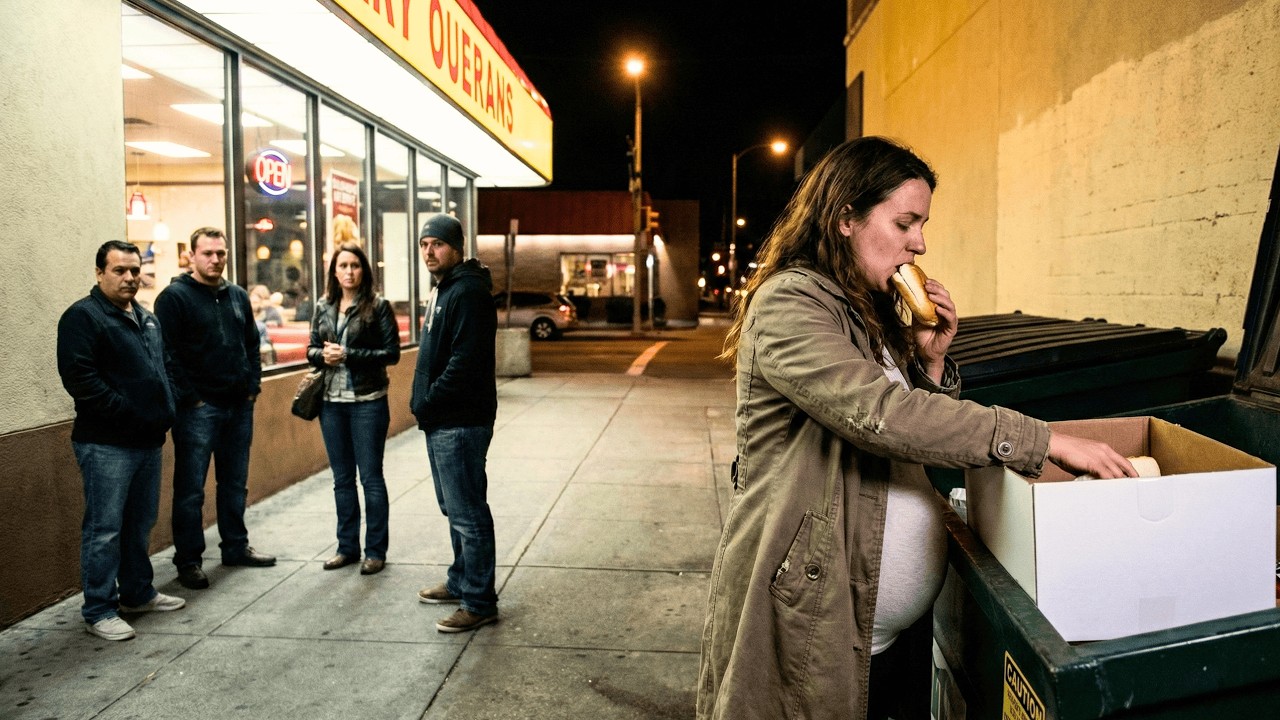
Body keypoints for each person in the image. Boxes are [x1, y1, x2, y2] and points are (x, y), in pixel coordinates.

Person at [696, 137, 1137, 720]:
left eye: (922, 224)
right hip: (815, 624)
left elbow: (909, 441)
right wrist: (1046, 440)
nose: (920, 243)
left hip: (892, 636)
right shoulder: (790, 305)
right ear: (845, 217)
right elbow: (879, 416)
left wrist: (928, 362)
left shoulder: (867, 310)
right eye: (905, 222)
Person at [57, 240, 187, 641]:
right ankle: (98, 609)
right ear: (99, 273)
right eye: (119, 270)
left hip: (147, 441)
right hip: (107, 444)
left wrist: (169, 405)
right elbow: (81, 380)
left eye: (135, 270)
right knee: (105, 528)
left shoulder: (145, 318)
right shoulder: (83, 317)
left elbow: (163, 366)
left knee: (138, 524)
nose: (130, 277)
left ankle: (137, 592)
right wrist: (131, 413)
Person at [154, 227, 276, 591]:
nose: (215, 259)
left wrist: (252, 387)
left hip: (238, 406)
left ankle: (235, 547)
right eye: (207, 253)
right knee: (191, 490)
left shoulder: (237, 295)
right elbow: (168, 356)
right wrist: (192, 398)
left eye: (220, 253)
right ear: (191, 255)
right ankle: (189, 560)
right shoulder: (174, 298)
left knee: (234, 484)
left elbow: (251, 344)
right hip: (198, 410)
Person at [410, 213, 500, 633]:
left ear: (457, 247)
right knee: (455, 508)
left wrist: (428, 401)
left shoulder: (466, 293)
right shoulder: (446, 288)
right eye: (424, 244)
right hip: (443, 420)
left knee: (468, 513)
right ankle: (461, 579)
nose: (429, 251)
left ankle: (479, 601)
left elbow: (464, 363)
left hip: (460, 421)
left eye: (438, 244)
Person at [308, 243, 401, 575]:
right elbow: (311, 349)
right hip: (331, 405)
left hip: (367, 402)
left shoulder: (378, 306)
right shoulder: (323, 306)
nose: (349, 271)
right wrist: (323, 356)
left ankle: (375, 550)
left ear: (364, 271)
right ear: (334, 271)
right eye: (343, 265)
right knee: (342, 479)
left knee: (371, 478)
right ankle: (347, 547)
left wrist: (348, 355)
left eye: (355, 266)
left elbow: (391, 354)